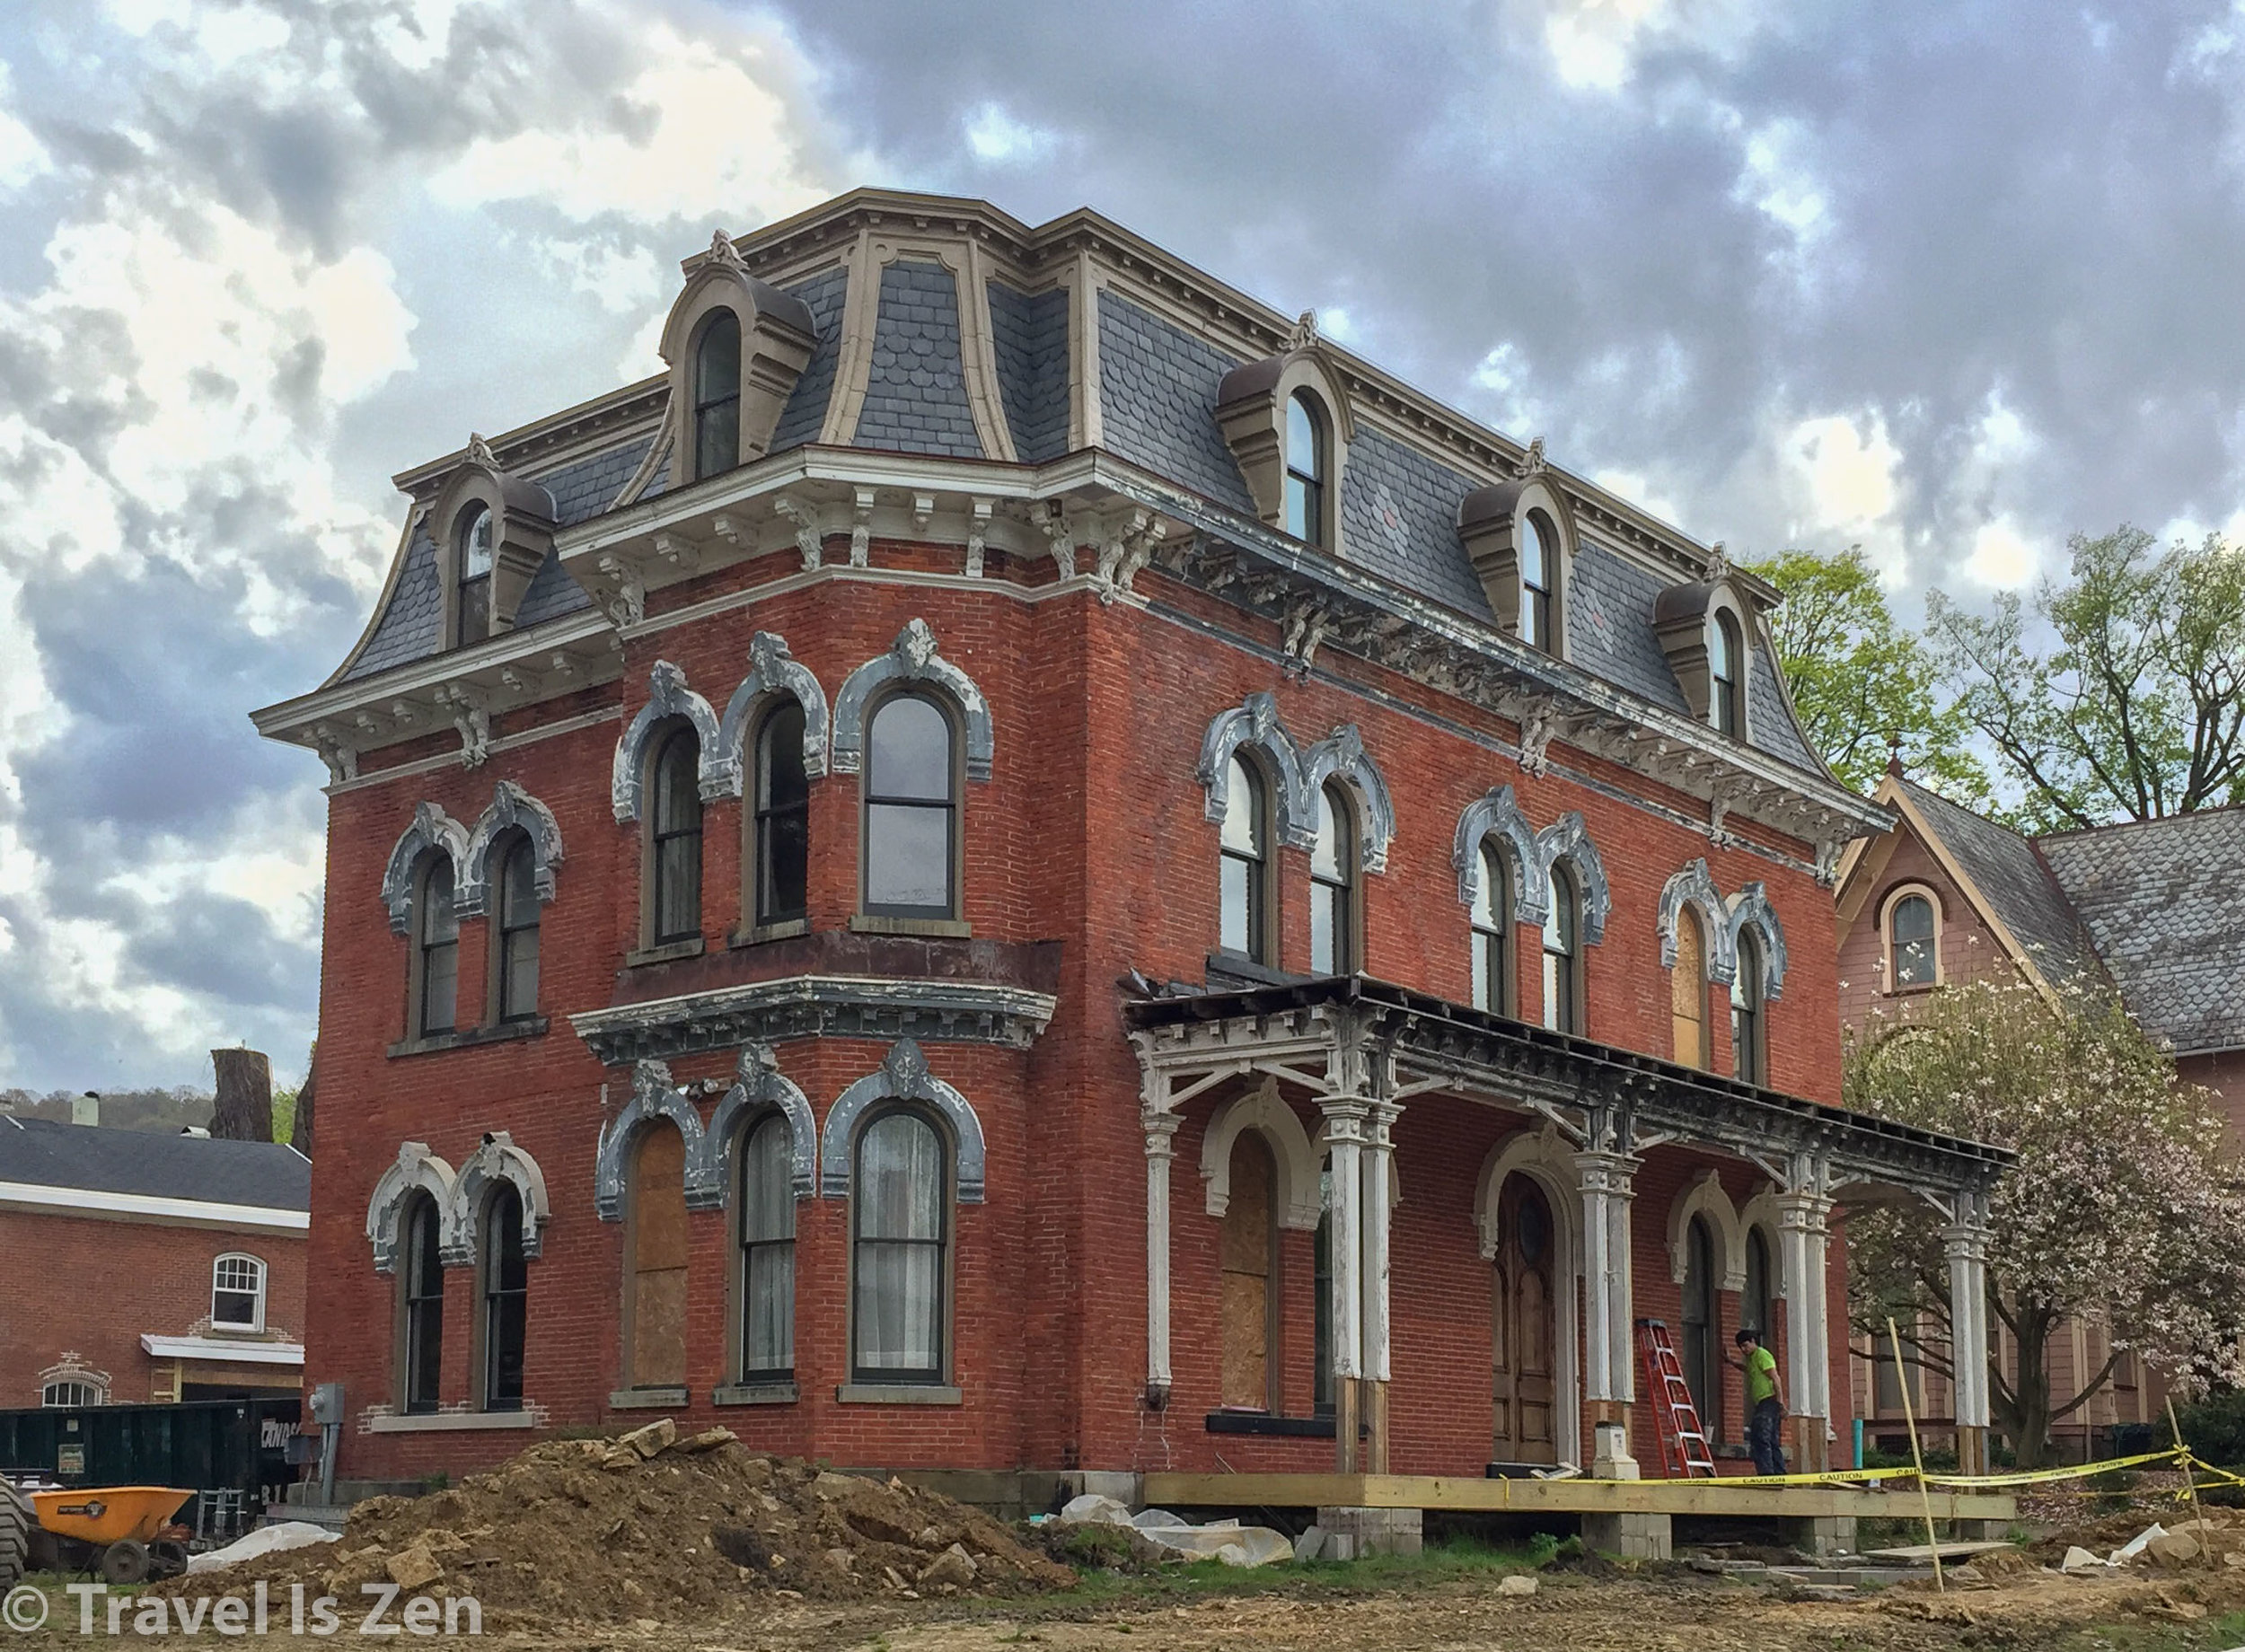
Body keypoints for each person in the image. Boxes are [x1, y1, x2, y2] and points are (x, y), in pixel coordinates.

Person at [1733, 1327, 1786, 1476]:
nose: (1744, 1350)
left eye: (1745, 1345)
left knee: (1759, 1437)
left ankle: (1767, 1474)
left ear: (1753, 1341)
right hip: (1763, 1402)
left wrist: (1780, 1402)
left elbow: (1775, 1378)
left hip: (1768, 1400)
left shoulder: (1762, 1355)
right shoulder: (1751, 1359)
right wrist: (1731, 1361)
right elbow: (1747, 1369)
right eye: (1741, 1347)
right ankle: (1779, 1474)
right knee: (1771, 1439)